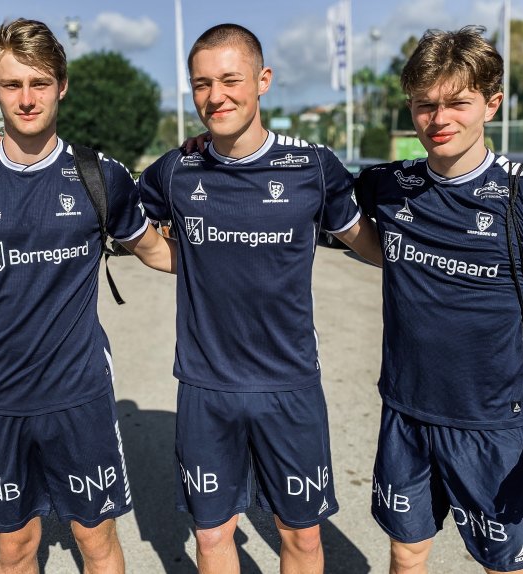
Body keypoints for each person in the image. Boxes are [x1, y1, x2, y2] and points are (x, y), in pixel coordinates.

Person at [0, 19, 175, 574]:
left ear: (62, 84)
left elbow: (158, 252)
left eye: (39, 83)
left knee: (95, 540)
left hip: (79, 394)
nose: (27, 99)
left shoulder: (99, 176)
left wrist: (244, 246)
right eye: (12, 85)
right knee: (14, 548)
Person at [354, 26, 523, 573]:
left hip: (493, 426)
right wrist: (208, 146)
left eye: (458, 103)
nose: (439, 119)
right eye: (425, 105)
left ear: (491, 103)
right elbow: (307, 191)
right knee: (406, 552)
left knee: (507, 566)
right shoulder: (386, 186)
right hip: (405, 414)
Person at [138, 23, 380, 574]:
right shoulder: (177, 169)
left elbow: (369, 245)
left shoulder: (313, 168)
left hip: (288, 385)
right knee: (212, 537)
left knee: (302, 539)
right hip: (206, 387)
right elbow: (117, 215)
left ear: (263, 80)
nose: (215, 96)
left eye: (230, 80)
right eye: (201, 84)